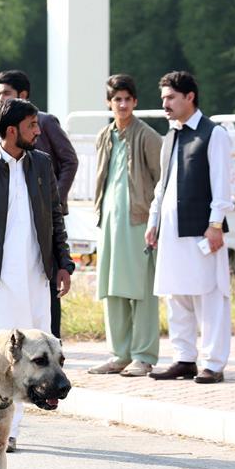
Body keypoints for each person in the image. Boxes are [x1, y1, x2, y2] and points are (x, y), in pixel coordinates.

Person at [0, 98, 75, 453]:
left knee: (33, 352)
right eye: (32, 126)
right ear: (11, 131)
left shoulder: (41, 164)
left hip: (37, 277)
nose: (38, 131)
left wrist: (63, 263)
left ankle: (9, 429)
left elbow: (55, 219)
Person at [146, 71, 234, 384]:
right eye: (163, 99)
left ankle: (213, 363)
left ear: (189, 97)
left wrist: (215, 224)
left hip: (201, 231)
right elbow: (162, 185)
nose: (165, 104)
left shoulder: (214, 134)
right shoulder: (170, 135)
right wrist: (153, 220)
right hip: (171, 233)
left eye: (170, 98)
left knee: (209, 297)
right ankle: (184, 359)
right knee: (176, 296)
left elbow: (222, 185)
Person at [0, 70, 79, 338]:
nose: (0, 98)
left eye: (6, 94)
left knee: (46, 291)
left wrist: (52, 201)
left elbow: (70, 160)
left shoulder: (46, 123)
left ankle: (51, 348)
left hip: (44, 219)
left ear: (22, 95)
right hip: (8, 230)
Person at [88, 75, 163, 378]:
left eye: (127, 99)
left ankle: (143, 356)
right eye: (116, 99)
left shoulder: (147, 136)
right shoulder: (104, 135)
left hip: (139, 224)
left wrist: (156, 222)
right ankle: (119, 354)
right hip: (108, 224)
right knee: (112, 290)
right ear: (109, 102)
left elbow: (163, 182)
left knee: (142, 292)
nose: (122, 104)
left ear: (135, 101)